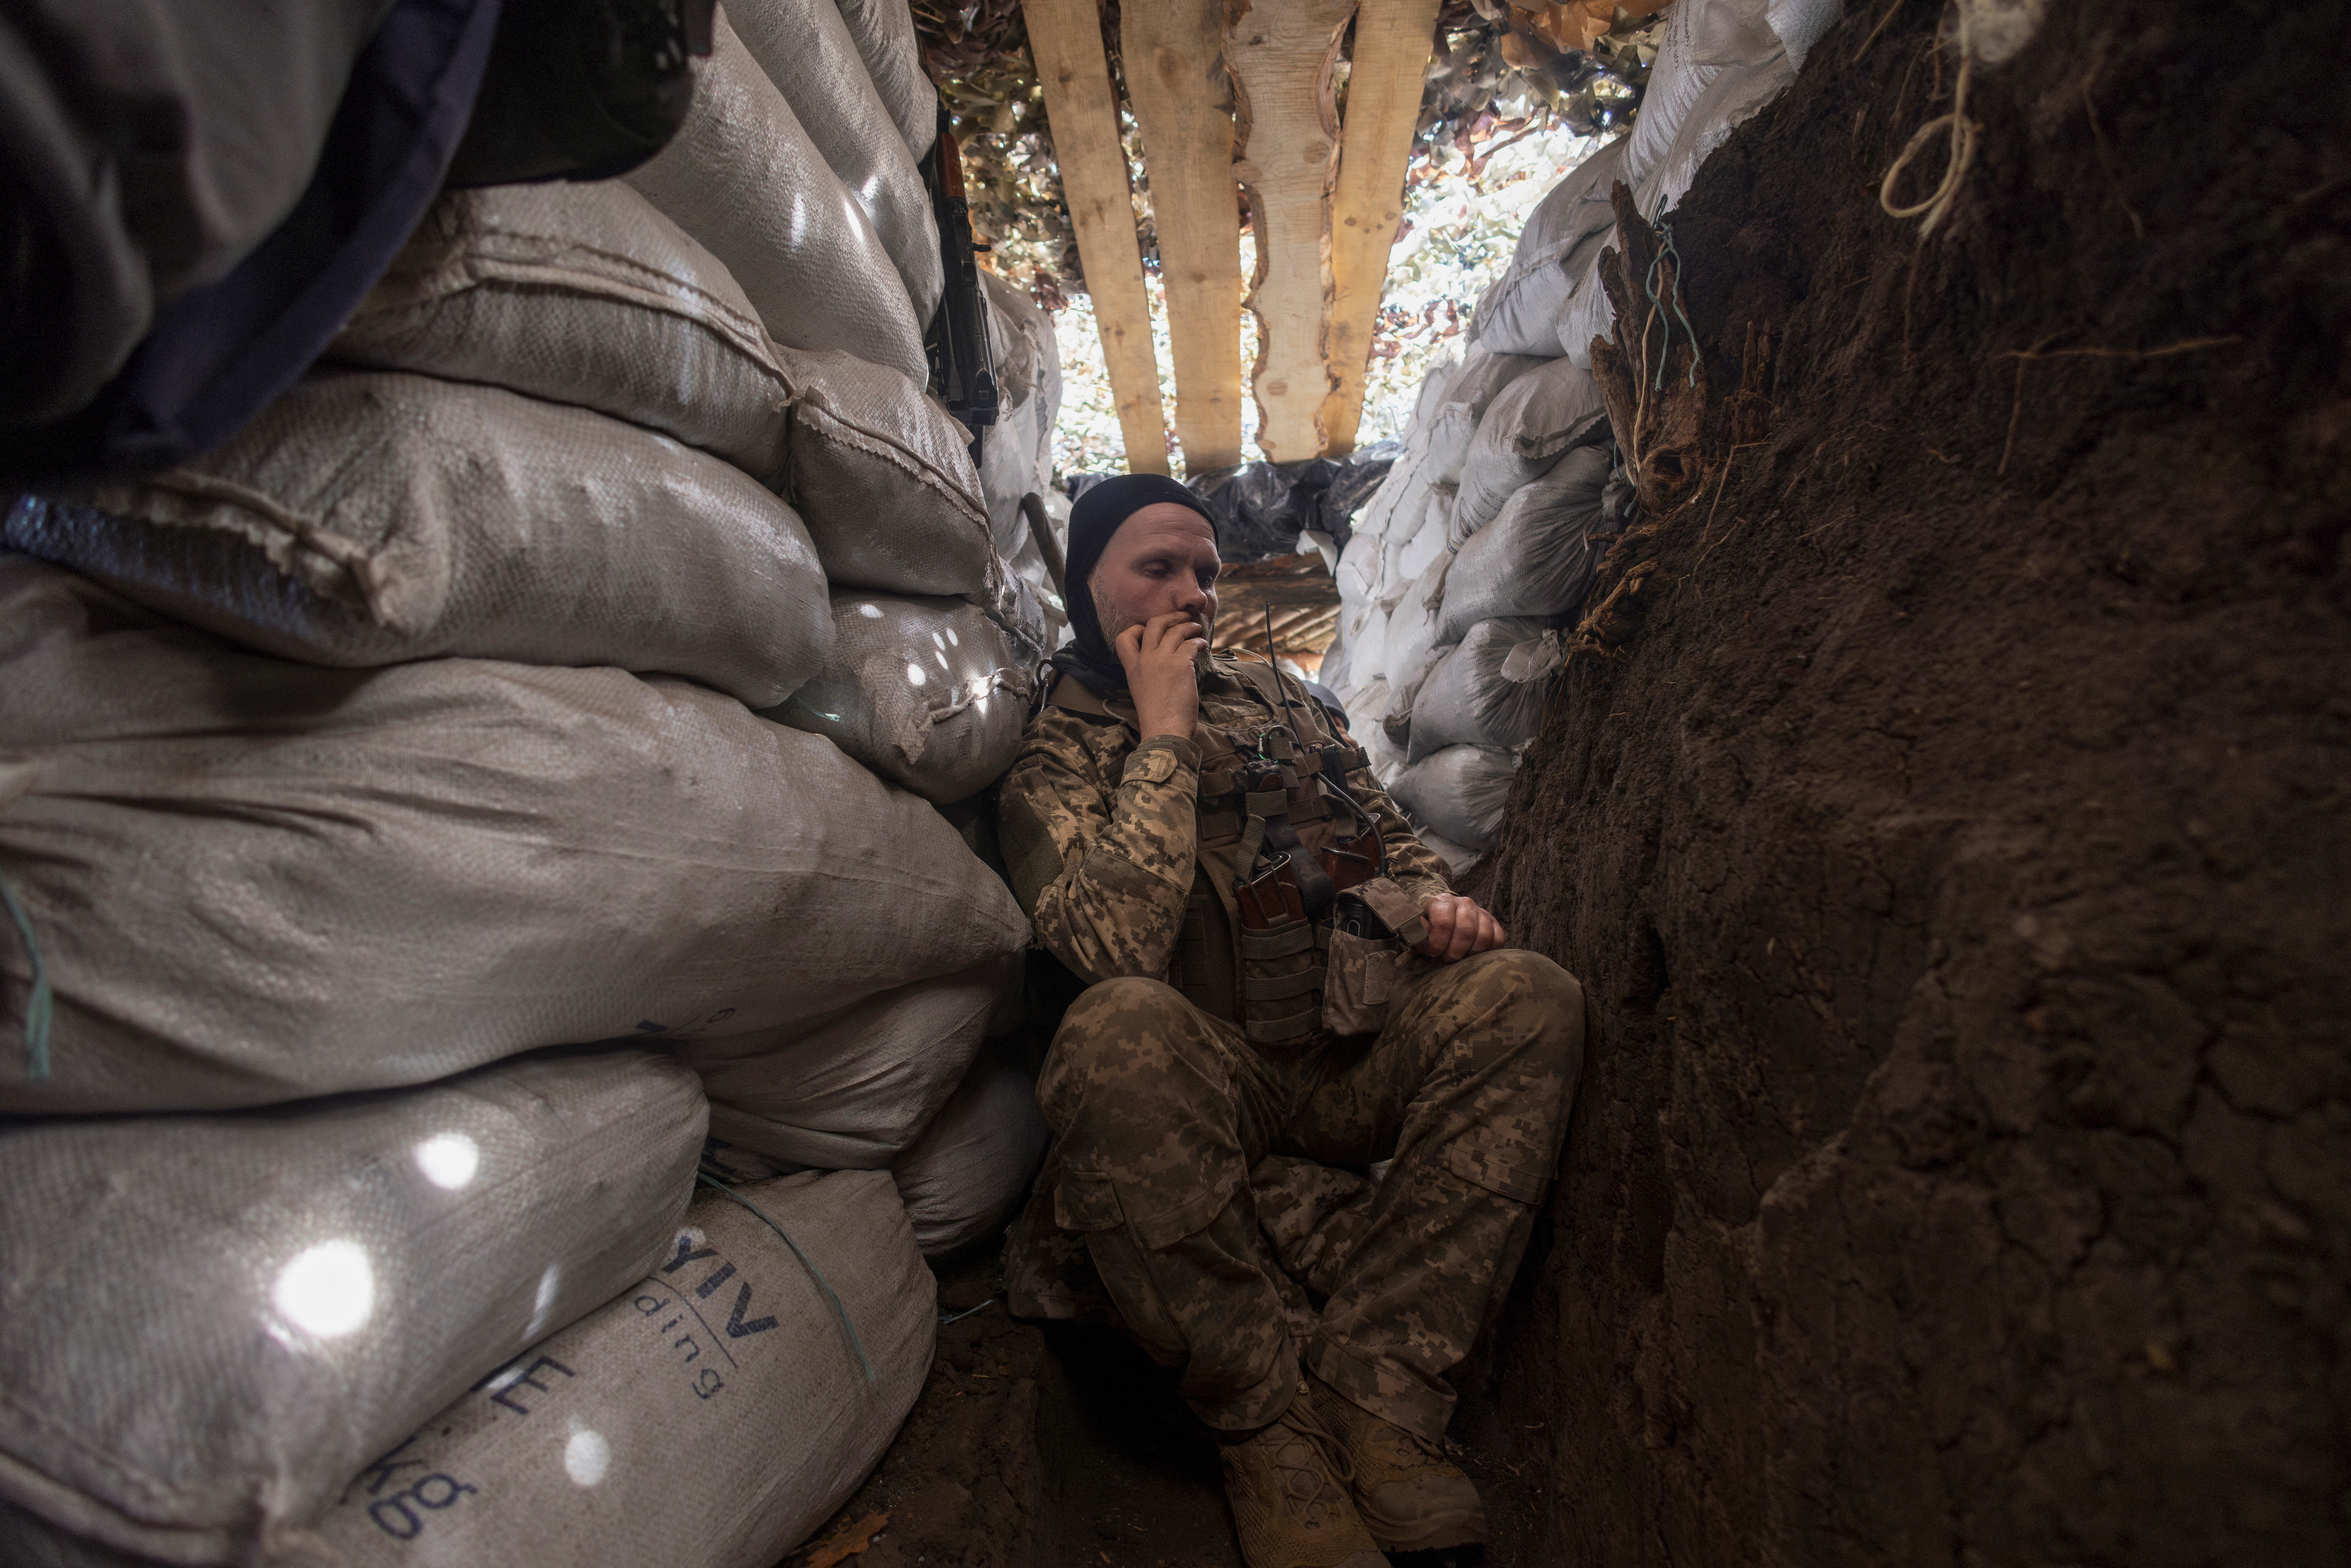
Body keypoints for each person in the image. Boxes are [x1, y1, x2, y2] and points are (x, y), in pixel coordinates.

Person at [996, 474, 1586, 1568]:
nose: (1193, 595)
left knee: (1527, 995)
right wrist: (1163, 739)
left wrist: (1433, 909)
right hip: (1196, 1094)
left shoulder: (1281, 698)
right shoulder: (1058, 754)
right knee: (1114, 1028)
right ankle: (1266, 1428)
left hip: (1337, 1055)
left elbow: (1379, 841)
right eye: (1156, 568)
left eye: (1207, 573)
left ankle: (1382, 1385)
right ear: (1087, 587)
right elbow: (1112, 950)